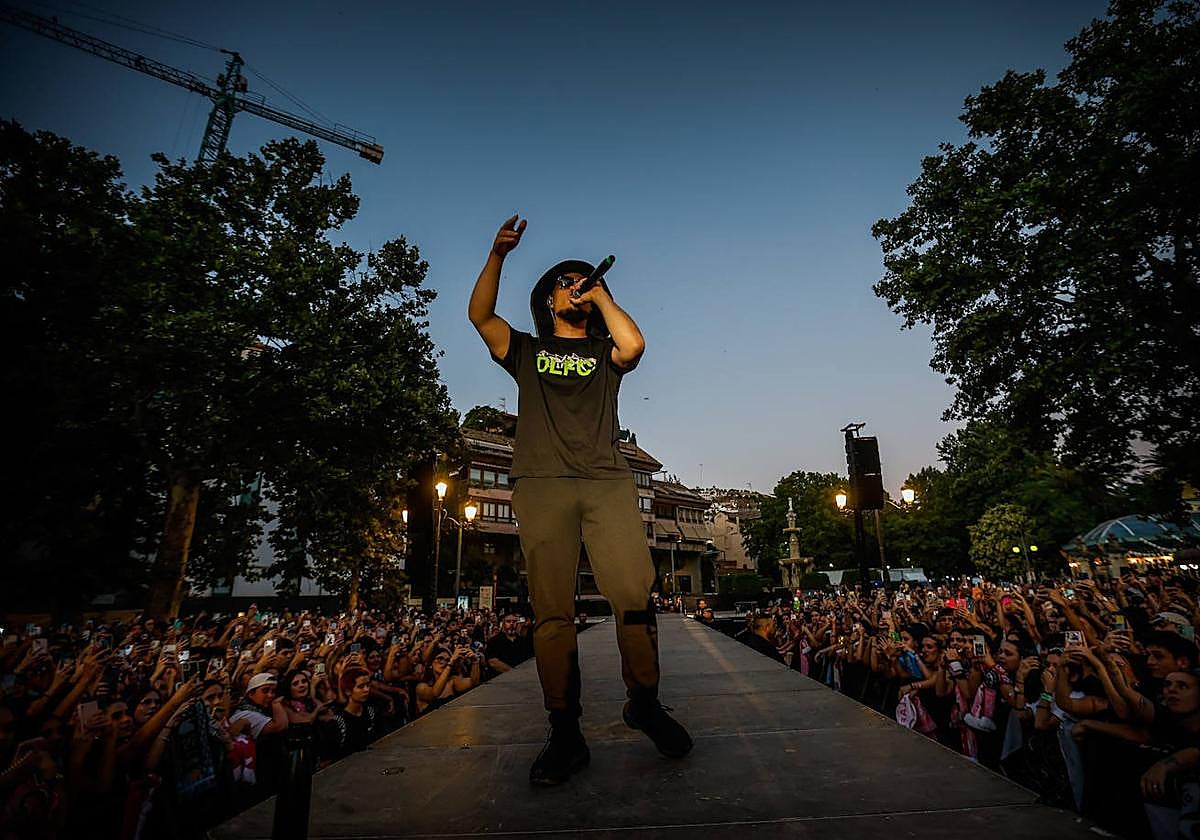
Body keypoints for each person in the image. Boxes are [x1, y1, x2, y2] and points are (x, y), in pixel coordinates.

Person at [469, 215, 692, 785]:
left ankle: (644, 702)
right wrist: (497, 255)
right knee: (552, 611)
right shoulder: (524, 349)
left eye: (583, 281)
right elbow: (480, 317)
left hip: (606, 480)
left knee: (633, 596)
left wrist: (600, 295)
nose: (575, 285)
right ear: (547, 298)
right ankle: (564, 731)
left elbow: (635, 343)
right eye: (565, 281)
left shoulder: (602, 352)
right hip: (542, 483)